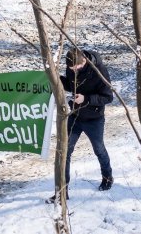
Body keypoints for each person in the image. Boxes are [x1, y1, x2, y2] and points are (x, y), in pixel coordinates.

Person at [54, 47, 114, 200]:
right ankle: (62, 190)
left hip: (94, 118)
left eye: (77, 68)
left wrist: (86, 99)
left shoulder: (99, 70)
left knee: (99, 149)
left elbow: (108, 97)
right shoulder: (72, 66)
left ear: (84, 61)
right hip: (75, 115)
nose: (74, 71)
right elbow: (70, 84)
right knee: (65, 151)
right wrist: (56, 78)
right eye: (71, 69)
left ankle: (107, 178)